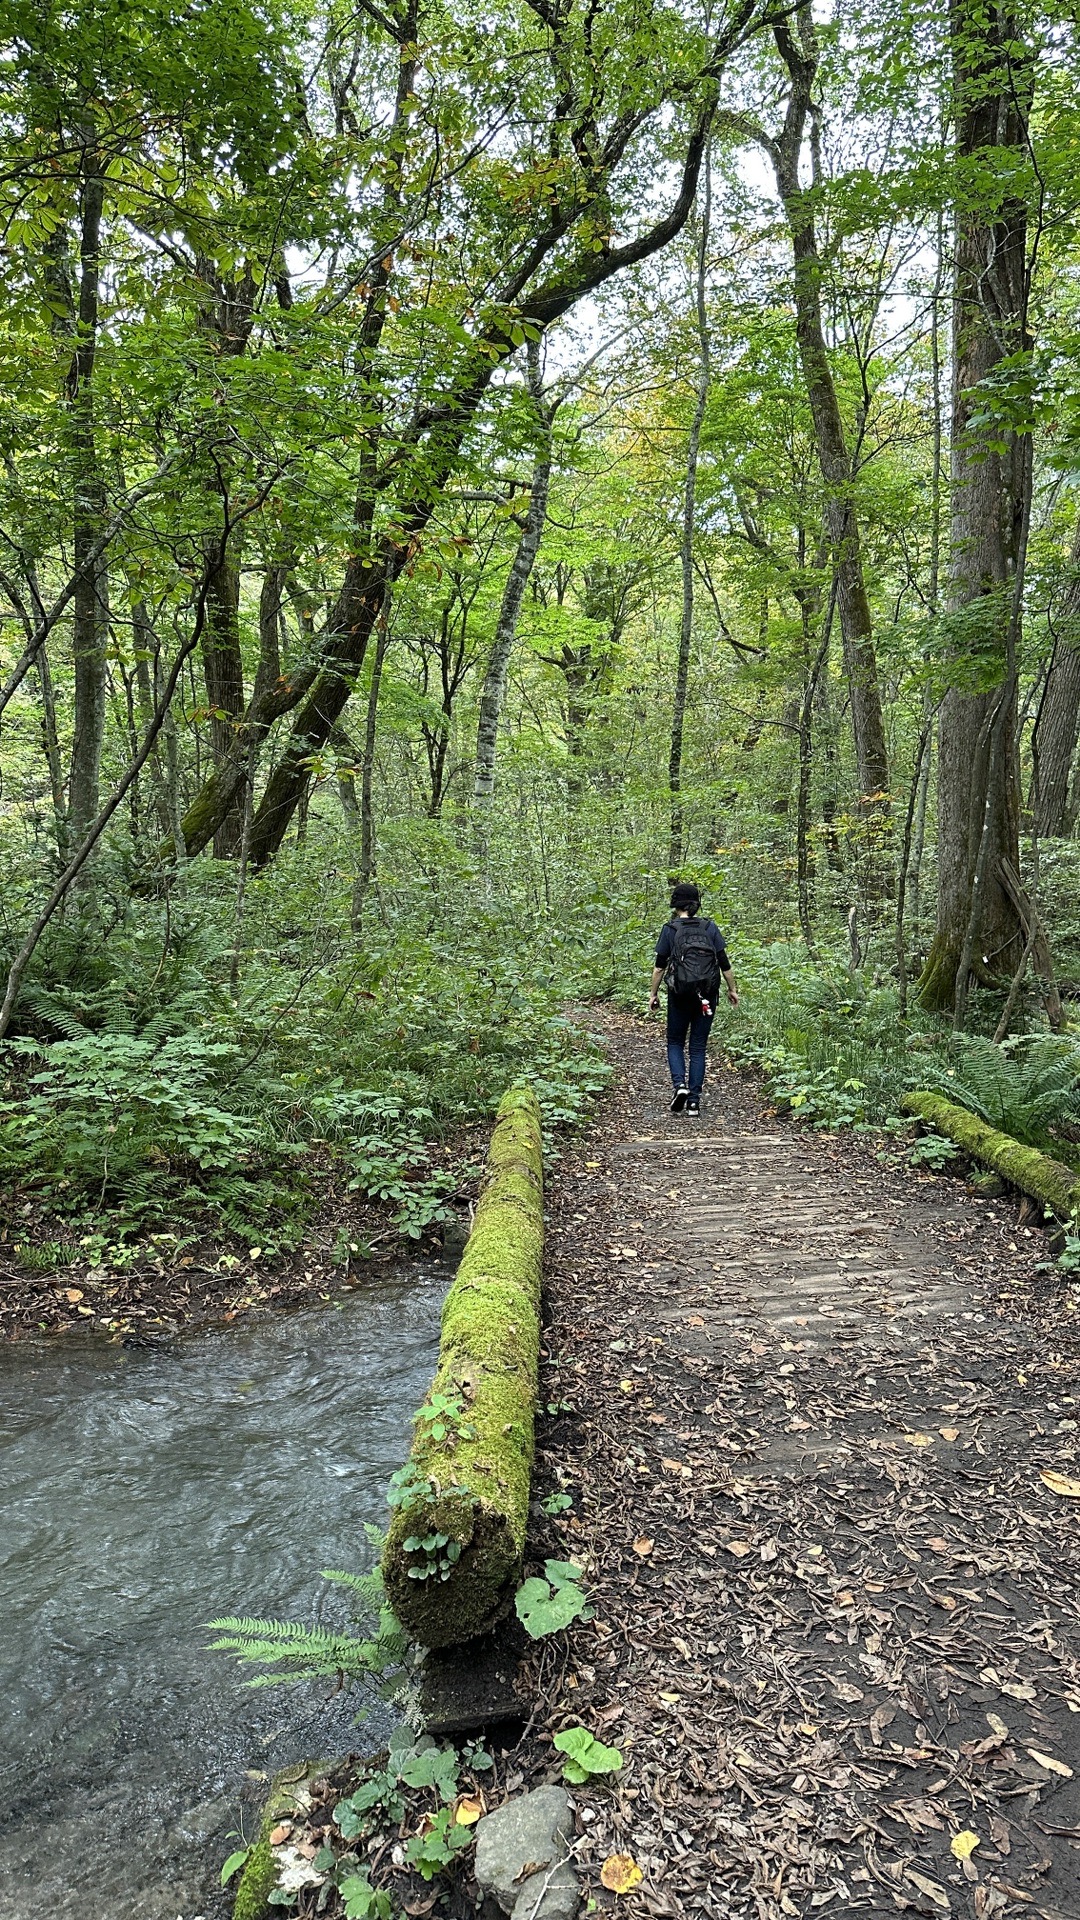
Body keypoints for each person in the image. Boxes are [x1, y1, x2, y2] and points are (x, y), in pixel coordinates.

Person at [648, 882, 738, 1115]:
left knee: (675, 1042)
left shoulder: (670, 929)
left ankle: (680, 1086)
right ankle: (694, 1103)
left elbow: (659, 967)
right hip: (707, 993)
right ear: (696, 904)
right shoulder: (709, 927)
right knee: (698, 1047)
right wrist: (732, 989)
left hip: (679, 994)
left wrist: (653, 994)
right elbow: (724, 962)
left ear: (675, 903)